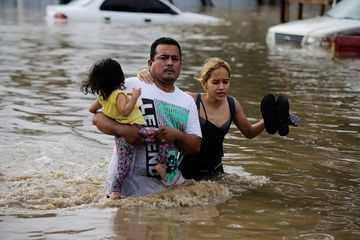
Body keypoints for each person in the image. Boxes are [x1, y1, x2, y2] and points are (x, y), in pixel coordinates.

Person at [91, 37, 202, 198]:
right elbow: (97, 118)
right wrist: (123, 130)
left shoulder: (187, 101)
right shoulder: (129, 85)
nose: (170, 63)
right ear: (150, 63)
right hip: (123, 190)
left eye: (175, 59)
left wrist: (177, 135)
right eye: (163, 58)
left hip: (165, 192)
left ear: (180, 65)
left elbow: (195, 146)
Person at [138, 57, 265, 180]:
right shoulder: (191, 100)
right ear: (204, 83)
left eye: (225, 82)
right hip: (186, 172)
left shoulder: (232, 104)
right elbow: (164, 94)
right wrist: (147, 74)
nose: (221, 87)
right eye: (215, 82)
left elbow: (249, 132)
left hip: (215, 172)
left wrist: (267, 120)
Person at [80, 58, 183, 200]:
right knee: (163, 135)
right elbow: (125, 111)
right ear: (119, 77)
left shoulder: (104, 97)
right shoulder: (119, 94)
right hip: (137, 130)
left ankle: (115, 191)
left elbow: (92, 109)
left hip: (121, 137)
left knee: (123, 165)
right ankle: (160, 164)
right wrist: (134, 97)